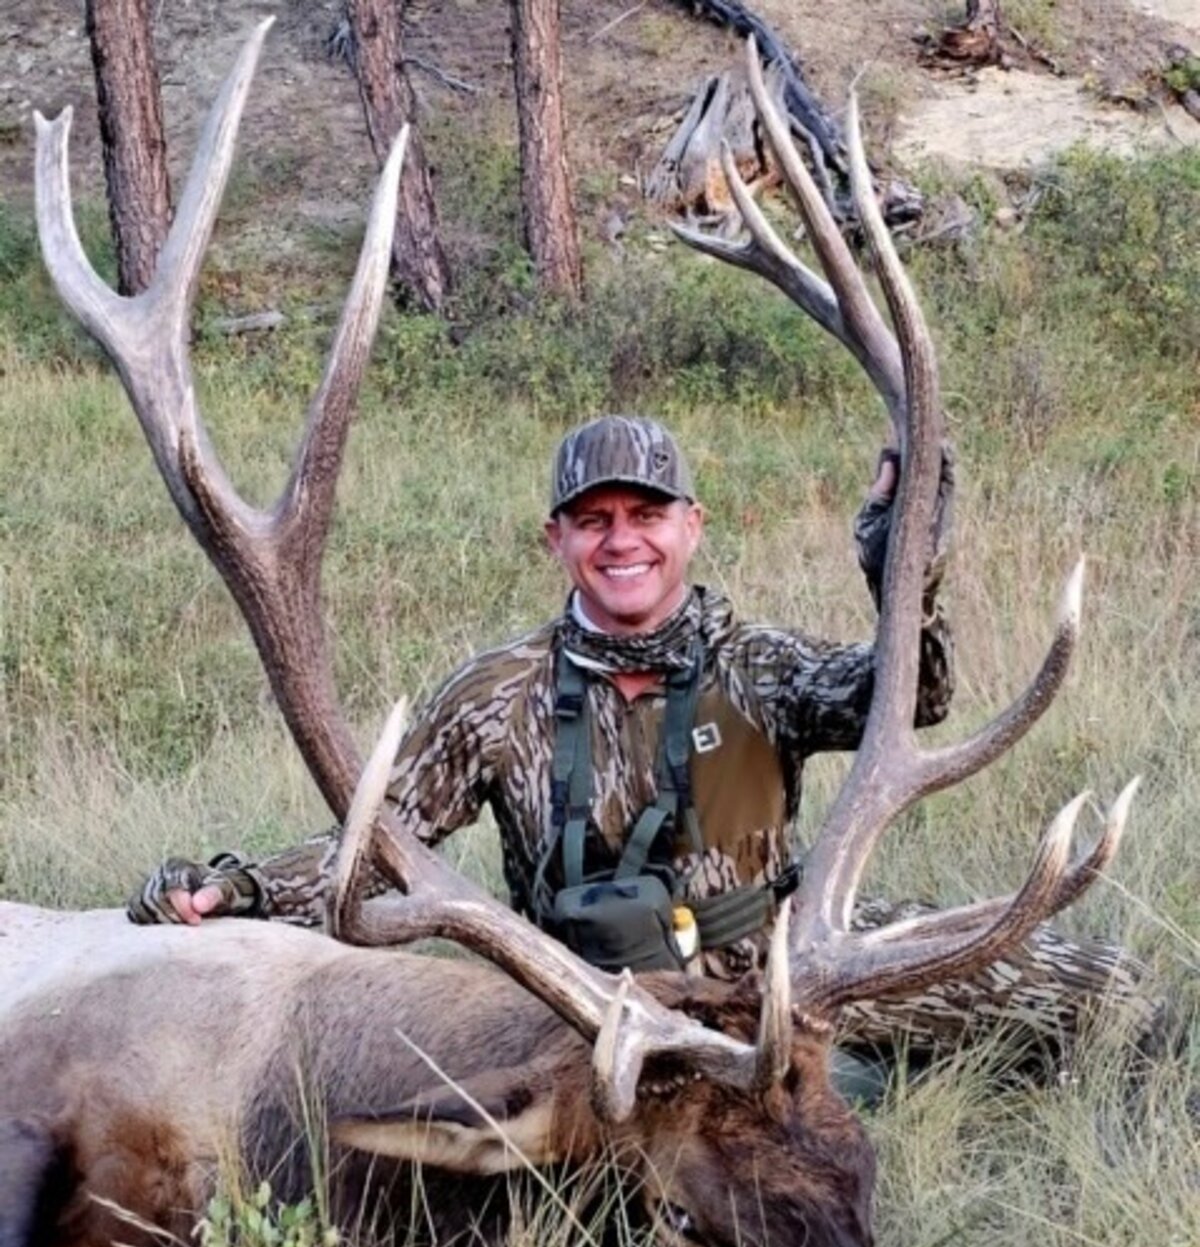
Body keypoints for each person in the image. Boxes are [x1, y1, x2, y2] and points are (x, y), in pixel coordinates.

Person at [128, 415, 1157, 1051]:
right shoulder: (496, 693)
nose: (623, 540)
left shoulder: (756, 664)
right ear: (557, 538)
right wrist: (237, 889)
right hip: (579, 1002)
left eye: (647, 514)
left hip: (779, 968)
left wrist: (904, 577)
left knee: (1108, 991)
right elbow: (377, 842)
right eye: (595, 519)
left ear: (691, 525)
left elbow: (911, 699)